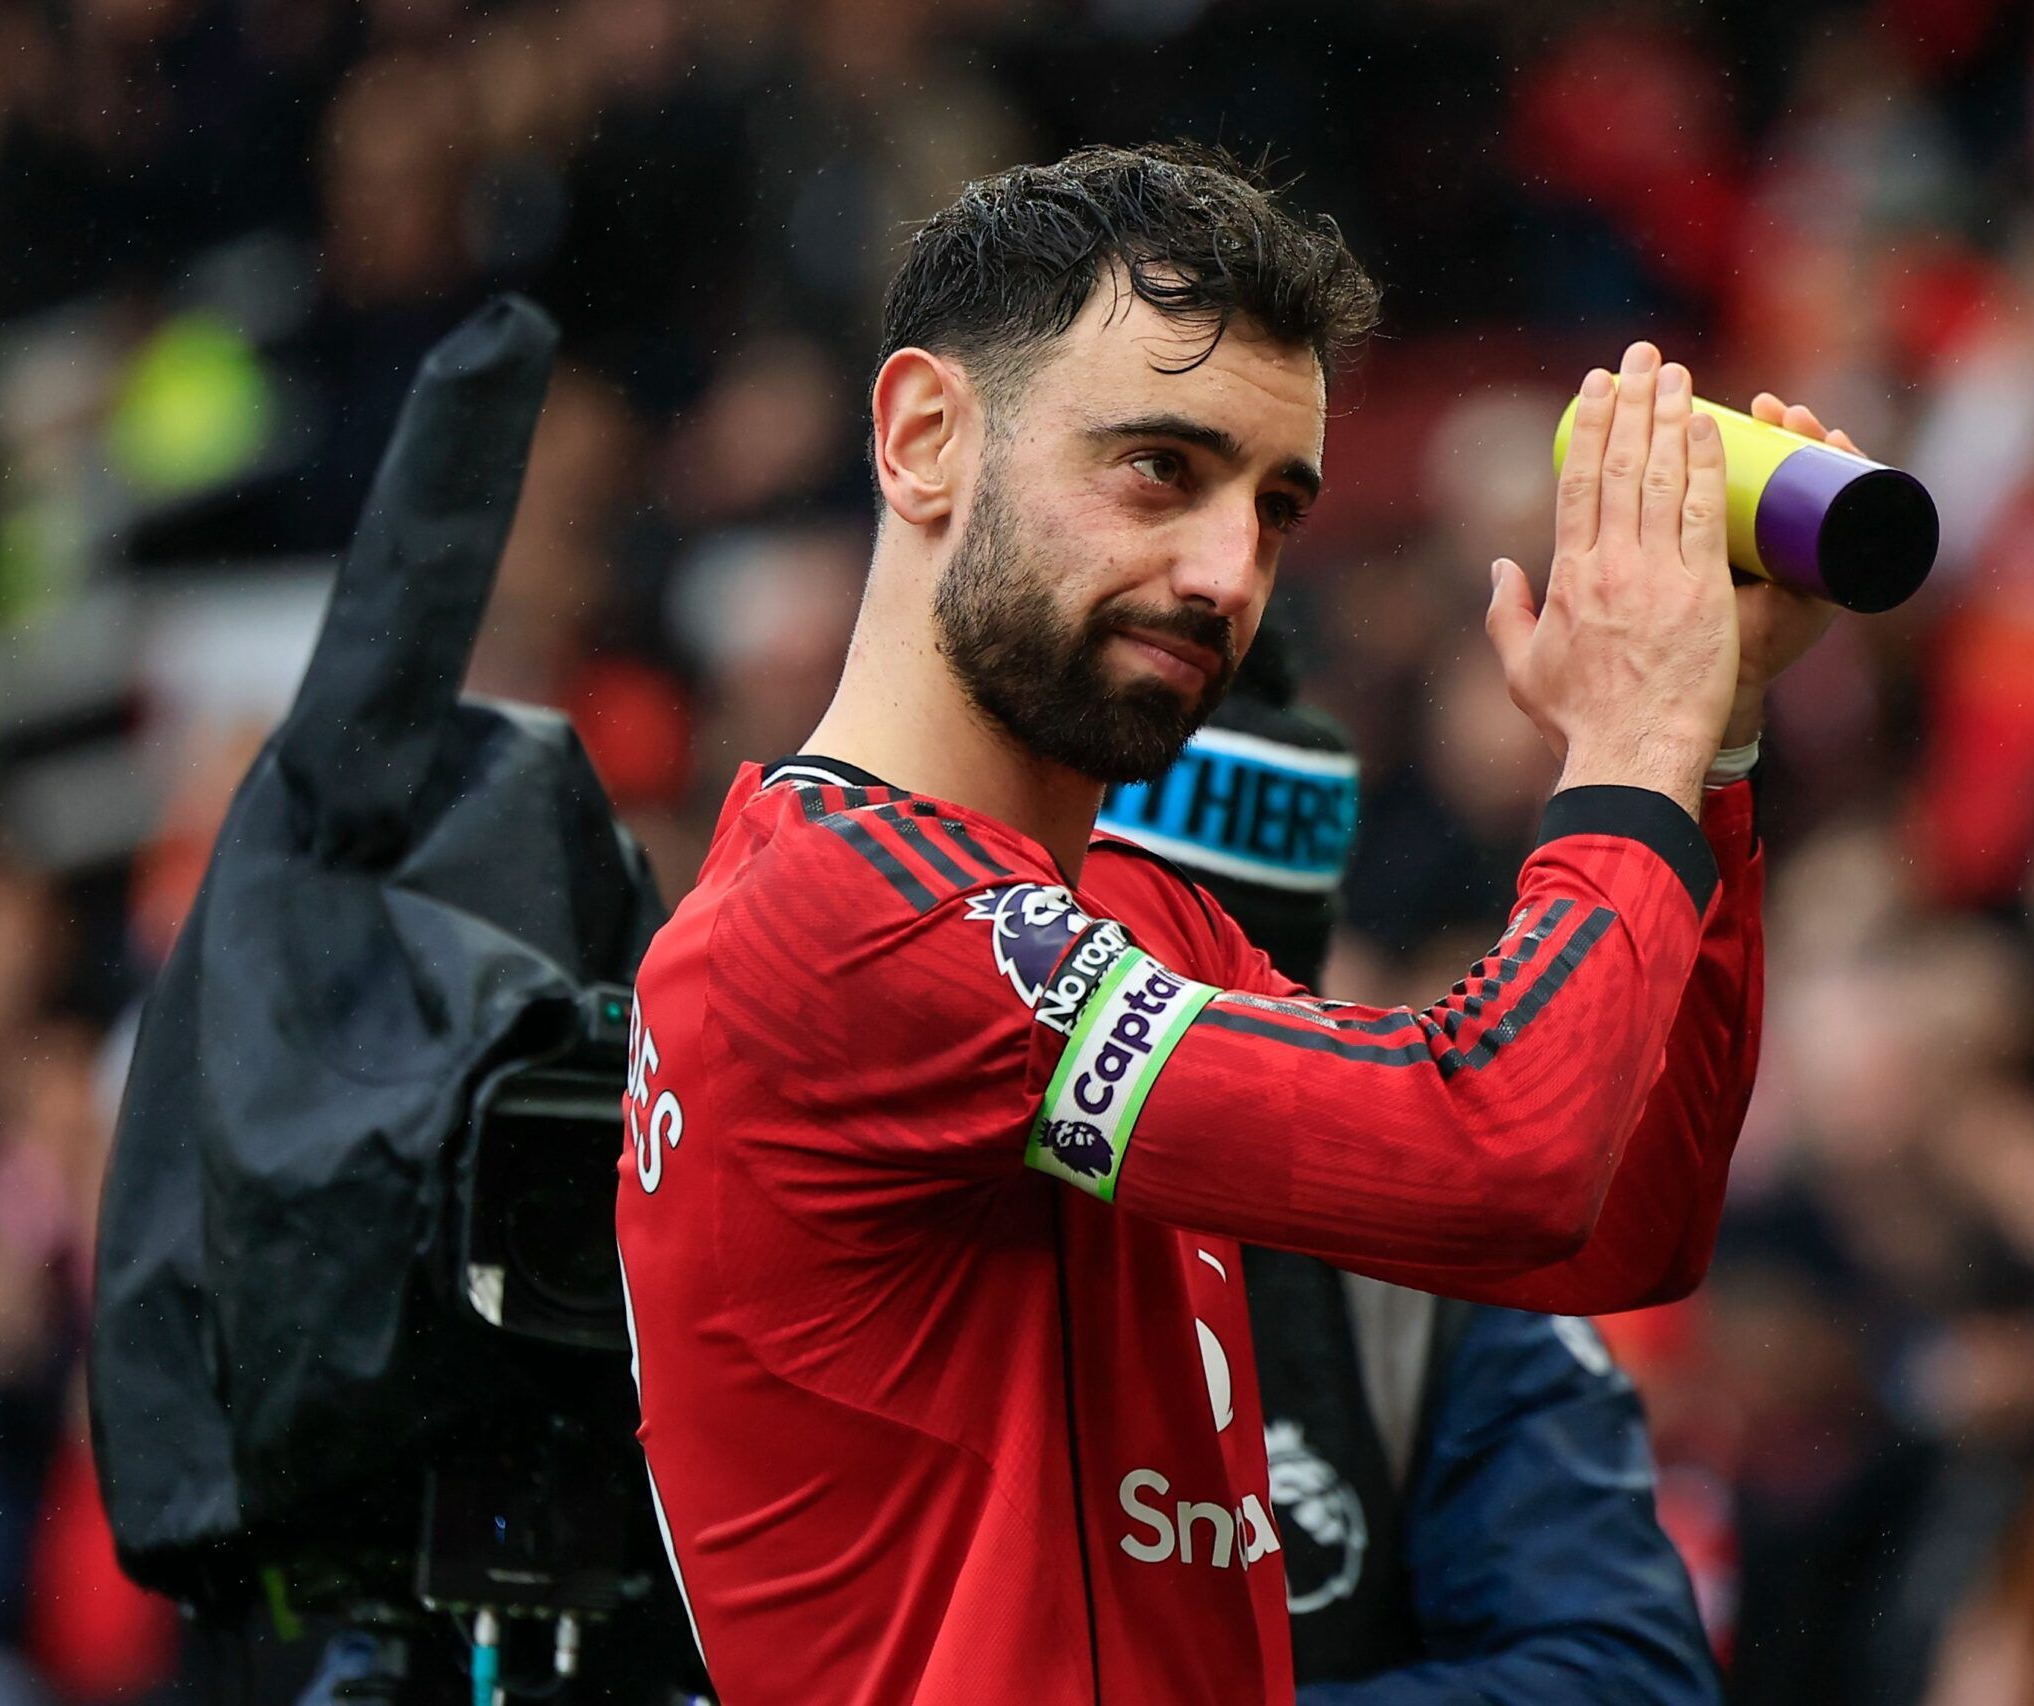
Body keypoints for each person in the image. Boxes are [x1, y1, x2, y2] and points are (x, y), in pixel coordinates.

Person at [613, 141, 1850, 1704]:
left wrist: (1712, 743)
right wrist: (1626, 753)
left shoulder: (1123, 914)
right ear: (925, 439)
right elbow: (1509, 1148)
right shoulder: (838, 918)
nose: (1226, 574)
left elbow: (1615, 1218)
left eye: (1276, 508)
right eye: (1157, 469)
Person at [1097, 639, 1728, 1702]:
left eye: (1226, 1004)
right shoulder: (921, 1191)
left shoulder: (1433, 1284)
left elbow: (1628, 1673)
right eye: (1122, 1002)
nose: (1160, 1061)